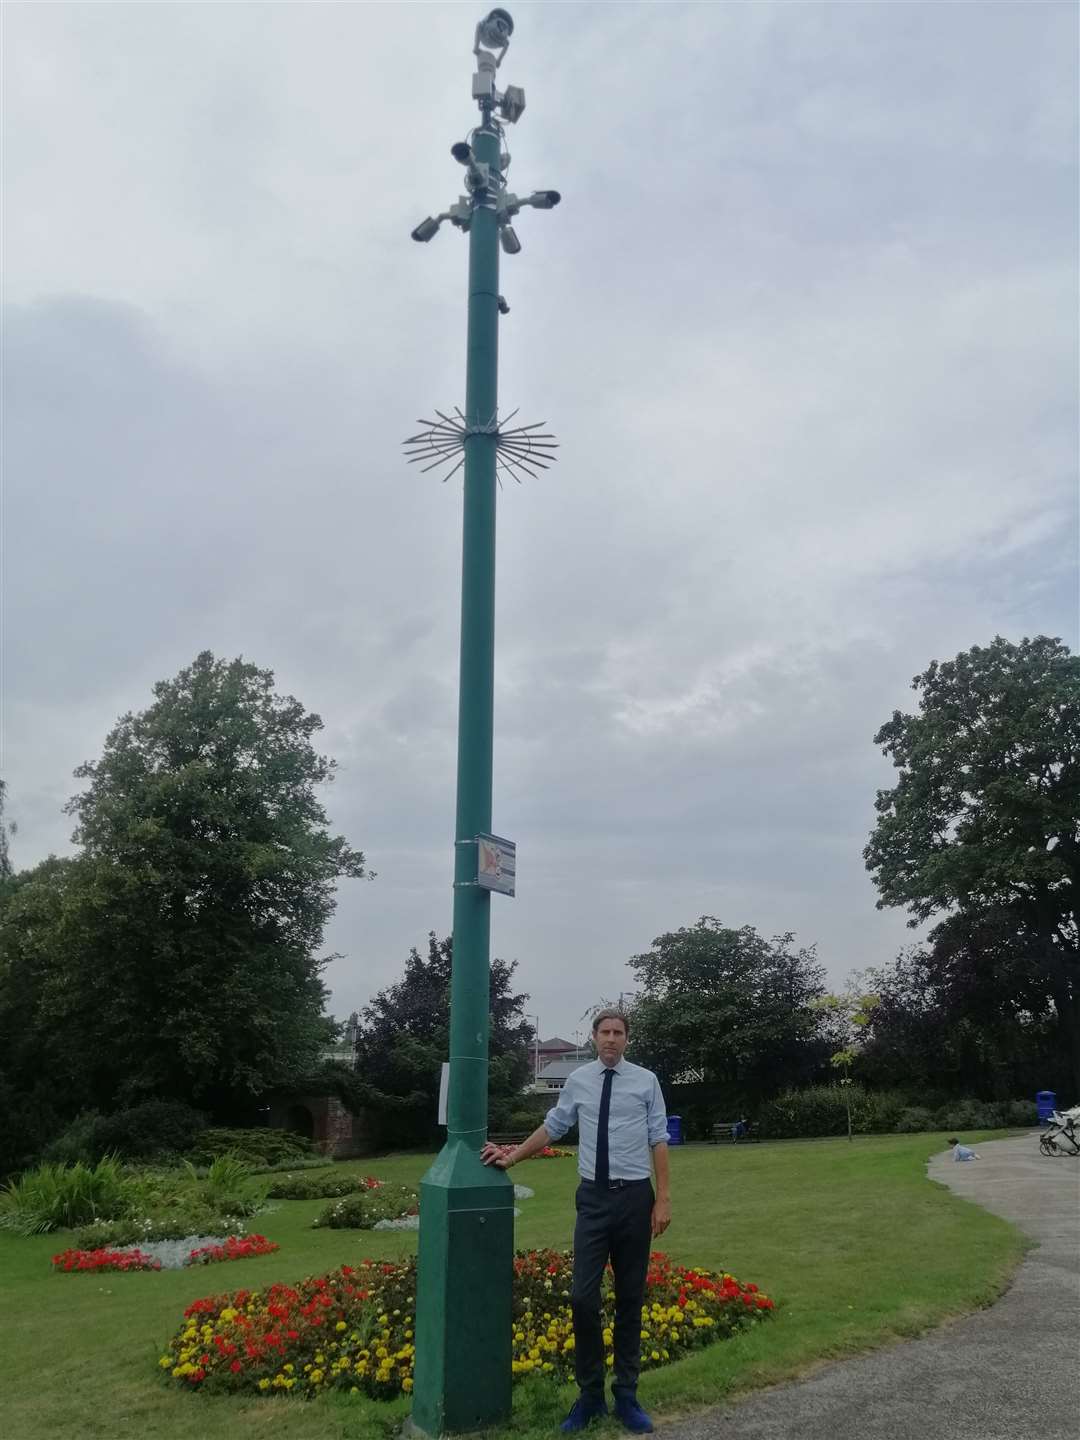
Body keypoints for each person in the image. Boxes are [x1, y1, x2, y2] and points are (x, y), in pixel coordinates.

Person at [482, 1009, 670, 1434]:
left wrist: (663, 1200)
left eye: (618, 1033)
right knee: (583, 1298)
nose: (610, 1039)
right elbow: (554, 1127)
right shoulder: (579, 1080)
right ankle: (589, 1398)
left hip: (636, 1199)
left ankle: (626, 1396)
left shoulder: (645, 1081)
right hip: (594, 1200)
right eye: (604, 1032)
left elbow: (658, 1138)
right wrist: (510, 1157)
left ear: (627, 1040)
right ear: (593, 1036)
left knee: (629, 1299)